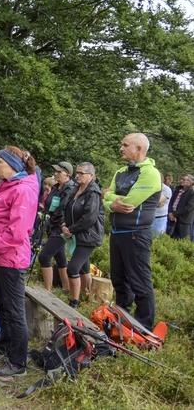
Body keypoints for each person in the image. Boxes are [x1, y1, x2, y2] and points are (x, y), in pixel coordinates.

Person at [0, 146, 39, 379]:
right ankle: (4, 348)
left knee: (14, 310)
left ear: (13, 165)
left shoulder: (23, 190)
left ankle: (18, 362)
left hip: (11, 258)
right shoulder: (3, 186)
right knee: (0, 305)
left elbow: (17, 233)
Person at [103, 133, 161, 330]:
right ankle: (121, 317)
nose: (121, 148)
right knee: (118, 279)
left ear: (139, 149)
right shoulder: (120, 171)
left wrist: (110, 198)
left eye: (125, 145)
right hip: (118, 232)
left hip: (137, 234)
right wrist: (111, 203)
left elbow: (129, 203)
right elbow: (105, 197)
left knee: (139, 281)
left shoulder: (150, 173)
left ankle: (144, 326)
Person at [61, 162, 105, 309]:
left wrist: (71, 229)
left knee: (72, 268)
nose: (78, 176)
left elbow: (89, 218)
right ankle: (88, 296)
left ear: (91, 176)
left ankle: (74, 302)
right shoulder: (75, 189)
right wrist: (63, 225)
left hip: (88, 236)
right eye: (77, 173)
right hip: (75, 233)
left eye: (81, 173)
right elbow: (65, 208)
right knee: (83, 268)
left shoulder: (93, 192)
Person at [38, 161, 76, 293]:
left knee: (44, 256)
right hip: (51, 226)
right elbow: (49, 205)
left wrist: (54, 221)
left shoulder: (70, 189)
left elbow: (63, 210)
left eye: (59, 172)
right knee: (60, 258)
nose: (55, 174)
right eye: (55, 171)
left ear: (68, 174)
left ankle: (47, 291)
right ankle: (66, 289)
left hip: (61, 228)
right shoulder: (56, 187)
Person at [167, 175, 194, 239]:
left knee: (184, 240)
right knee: (172, 239)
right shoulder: (177, 190)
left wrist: (175, 214)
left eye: (184, 179)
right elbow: (171, 202)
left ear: (189, 182)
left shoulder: (192, 192)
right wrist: (170, 213)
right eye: (182, 179)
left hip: (184, 220)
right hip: (172, 219)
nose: (181, 180)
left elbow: (189, 207)